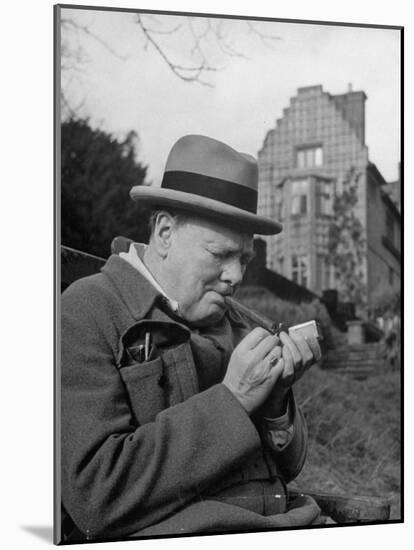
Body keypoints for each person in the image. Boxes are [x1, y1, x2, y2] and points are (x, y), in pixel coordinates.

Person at [61, 134, 323, 542]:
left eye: (245, 260)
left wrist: (274, 406)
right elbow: (95, 495)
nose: (236, 276)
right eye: (220, 255)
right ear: (165, 233)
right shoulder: (90, 311)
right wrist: (234, 399)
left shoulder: (240, 322)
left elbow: (287, 470)